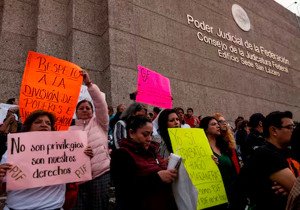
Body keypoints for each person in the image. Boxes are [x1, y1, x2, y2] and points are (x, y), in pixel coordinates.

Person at [0, 110, 65, 209]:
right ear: (28, 128)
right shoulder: (13, 151)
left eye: (48, 123)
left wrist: (84, 155)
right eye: (38, 122)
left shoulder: (64, 150)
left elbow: (78, 175)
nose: (44, 125)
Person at [110, 116, 178, 210]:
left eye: (151, 134)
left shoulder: (152, 151)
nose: (149, 139)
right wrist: (158, 177)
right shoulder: (121, 155)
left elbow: (153, 167)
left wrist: (165, 163)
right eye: (145, 134)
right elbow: (126, 187)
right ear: (131, 133)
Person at [239, 111, 298, 210]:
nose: (293, 131)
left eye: (293, 127)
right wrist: (294, 191)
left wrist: (292, 191)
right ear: (274, 130)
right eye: (289, 127)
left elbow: (296, 188)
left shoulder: (287, 152)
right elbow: (297, 190)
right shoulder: (266, 154)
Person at [70, 71, 111, 210]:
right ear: (76, 112)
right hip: (78, 178)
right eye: (81, 108)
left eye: (88, 108)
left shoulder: (100, 123)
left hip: (100, 174)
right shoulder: (70, 129)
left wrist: (89, 84)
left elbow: (100, 104)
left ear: (93, 111)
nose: (85, 110)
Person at [199, 116, 238, 209]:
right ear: (206, 129)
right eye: (213, 124)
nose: (218, 126)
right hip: (213, 197)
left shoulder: (224, 146)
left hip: (231, 193)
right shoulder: (200, 149)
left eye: (217, 124)